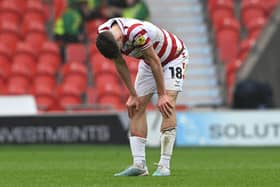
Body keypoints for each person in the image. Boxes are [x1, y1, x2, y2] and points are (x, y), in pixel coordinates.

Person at [95, 17, 190, 176]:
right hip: (148, 61)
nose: (120, 52)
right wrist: (132, 94)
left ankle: (164, 166)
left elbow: (155, 60)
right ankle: (139, 165)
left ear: (119, 38)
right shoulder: (104, 35)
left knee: (167, 104)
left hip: (173, 57)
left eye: (120, 48)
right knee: (135, 106)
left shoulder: (136, 32)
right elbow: (119, 62)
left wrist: (162, 95)